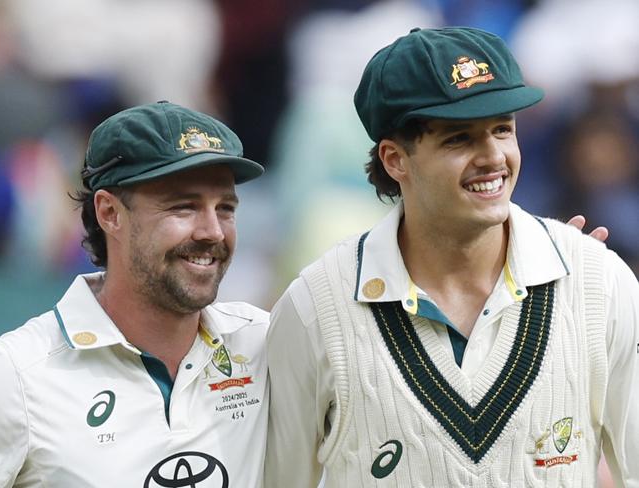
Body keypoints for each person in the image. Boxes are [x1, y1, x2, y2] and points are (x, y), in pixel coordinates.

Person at [264, 27, 639, 487]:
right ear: (395, 159)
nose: (494, 157)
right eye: (459, 139)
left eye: (502, 129)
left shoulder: (599, 281)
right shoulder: (314, 309)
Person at [0, 101, 269, 487]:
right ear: (109, 213)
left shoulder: (268, 343)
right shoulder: (15, 375)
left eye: (225, 208)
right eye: (184, 207)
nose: (213, 231)